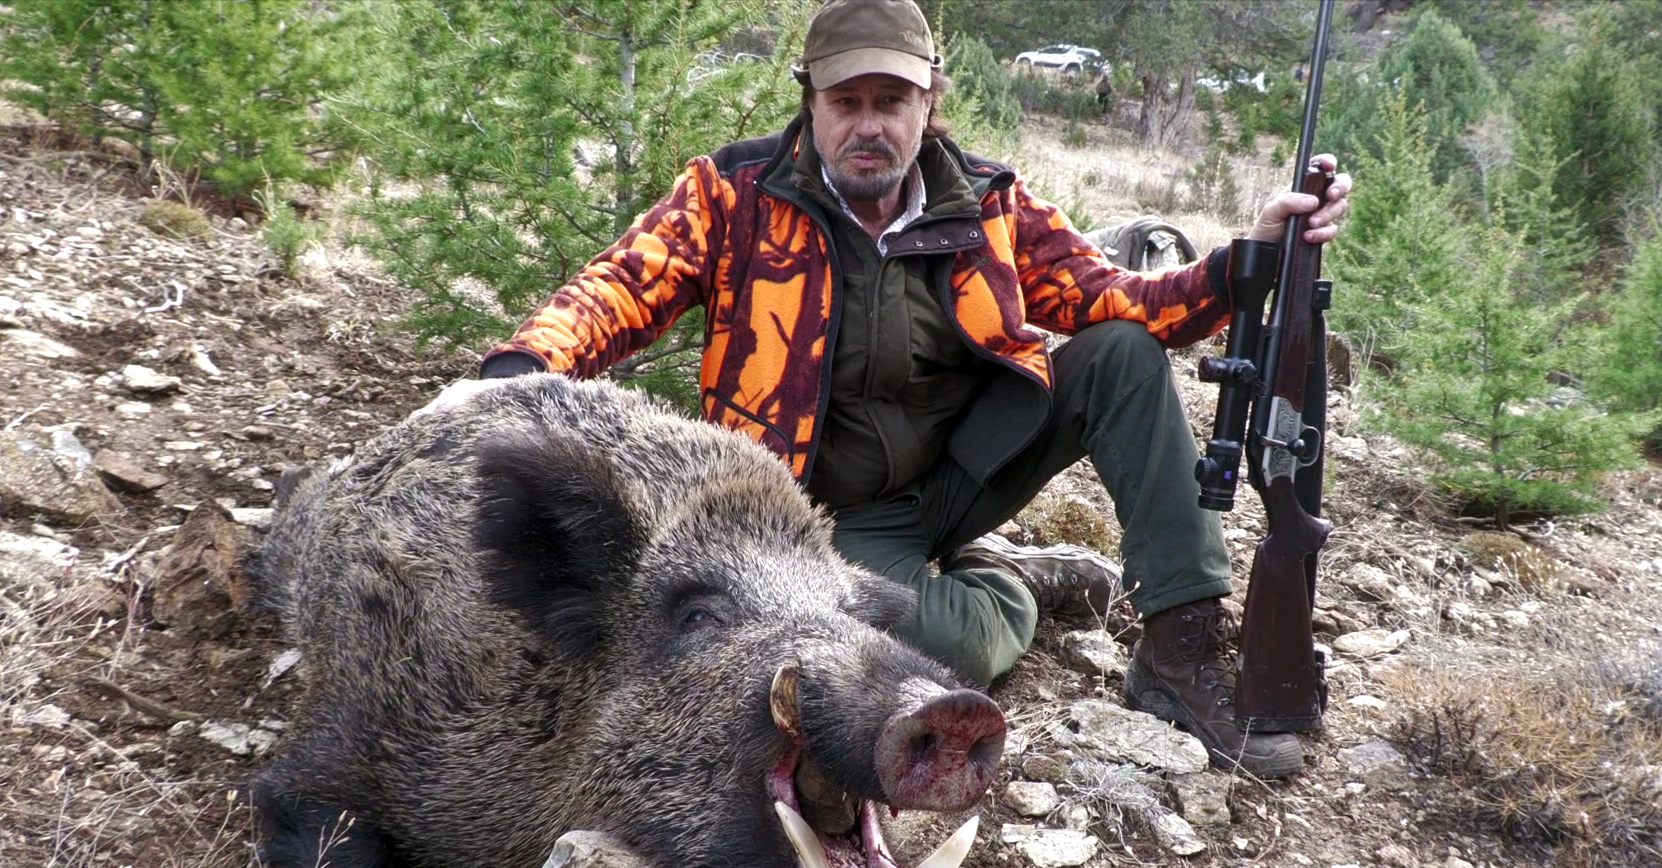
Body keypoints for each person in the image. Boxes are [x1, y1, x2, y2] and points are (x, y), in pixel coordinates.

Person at [420, 0, 1351, 777]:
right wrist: (516, 374)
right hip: (819, 522)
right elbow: (622, 285)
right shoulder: (732, 194)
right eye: (848, 100)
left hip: (965, 470)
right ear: (812, 104)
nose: (871, 123)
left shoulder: (989, 199)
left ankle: (1180, 644)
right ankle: (1010, 584)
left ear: (928, 102)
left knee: (1120, 354)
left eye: (893, 100)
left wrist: (1248, 259)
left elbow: (1129, 306)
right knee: (951, 655)